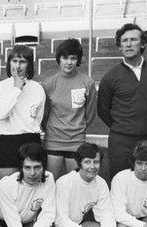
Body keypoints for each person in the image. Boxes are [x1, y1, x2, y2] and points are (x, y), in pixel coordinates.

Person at [98, 23, 147, 179]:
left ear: (142, 43)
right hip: (121, 141)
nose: (128, 44)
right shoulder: (110, 77)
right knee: (119, 181)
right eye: (124, 40)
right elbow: (103, 111)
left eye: (133, 39)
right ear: (119, 46)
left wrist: (144, 123)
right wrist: (124, 127)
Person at [42, 38, 97, 180]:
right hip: (53, 141)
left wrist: (79, 128)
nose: (69, 62)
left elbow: (90, 113)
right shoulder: (48, 84)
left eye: (73, 58)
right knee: (51, 184)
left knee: (75, 185)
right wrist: (51, 130)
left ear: (78, 60)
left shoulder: (87, 82)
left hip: (77, 142)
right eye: (65, 58)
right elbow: (44, 114)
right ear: (59, 59)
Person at [0, 45, 45, 181]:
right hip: (7, 141)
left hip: (31, 140)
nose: (18, 66)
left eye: (22, 62)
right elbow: (1, 114)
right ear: (9, 63)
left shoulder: (37, 88)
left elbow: (38, 118)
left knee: (32, 189)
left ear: (29, 64)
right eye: (14, 61)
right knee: (6, 189)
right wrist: (16, 89)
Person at [55, 143, 120, 227]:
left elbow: (106, 213)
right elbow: (60, 221)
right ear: (79, 163)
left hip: (79, 225)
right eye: (87, 162)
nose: (92, 167)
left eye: (96, 162)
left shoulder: (101, 183)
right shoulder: (64, 182)